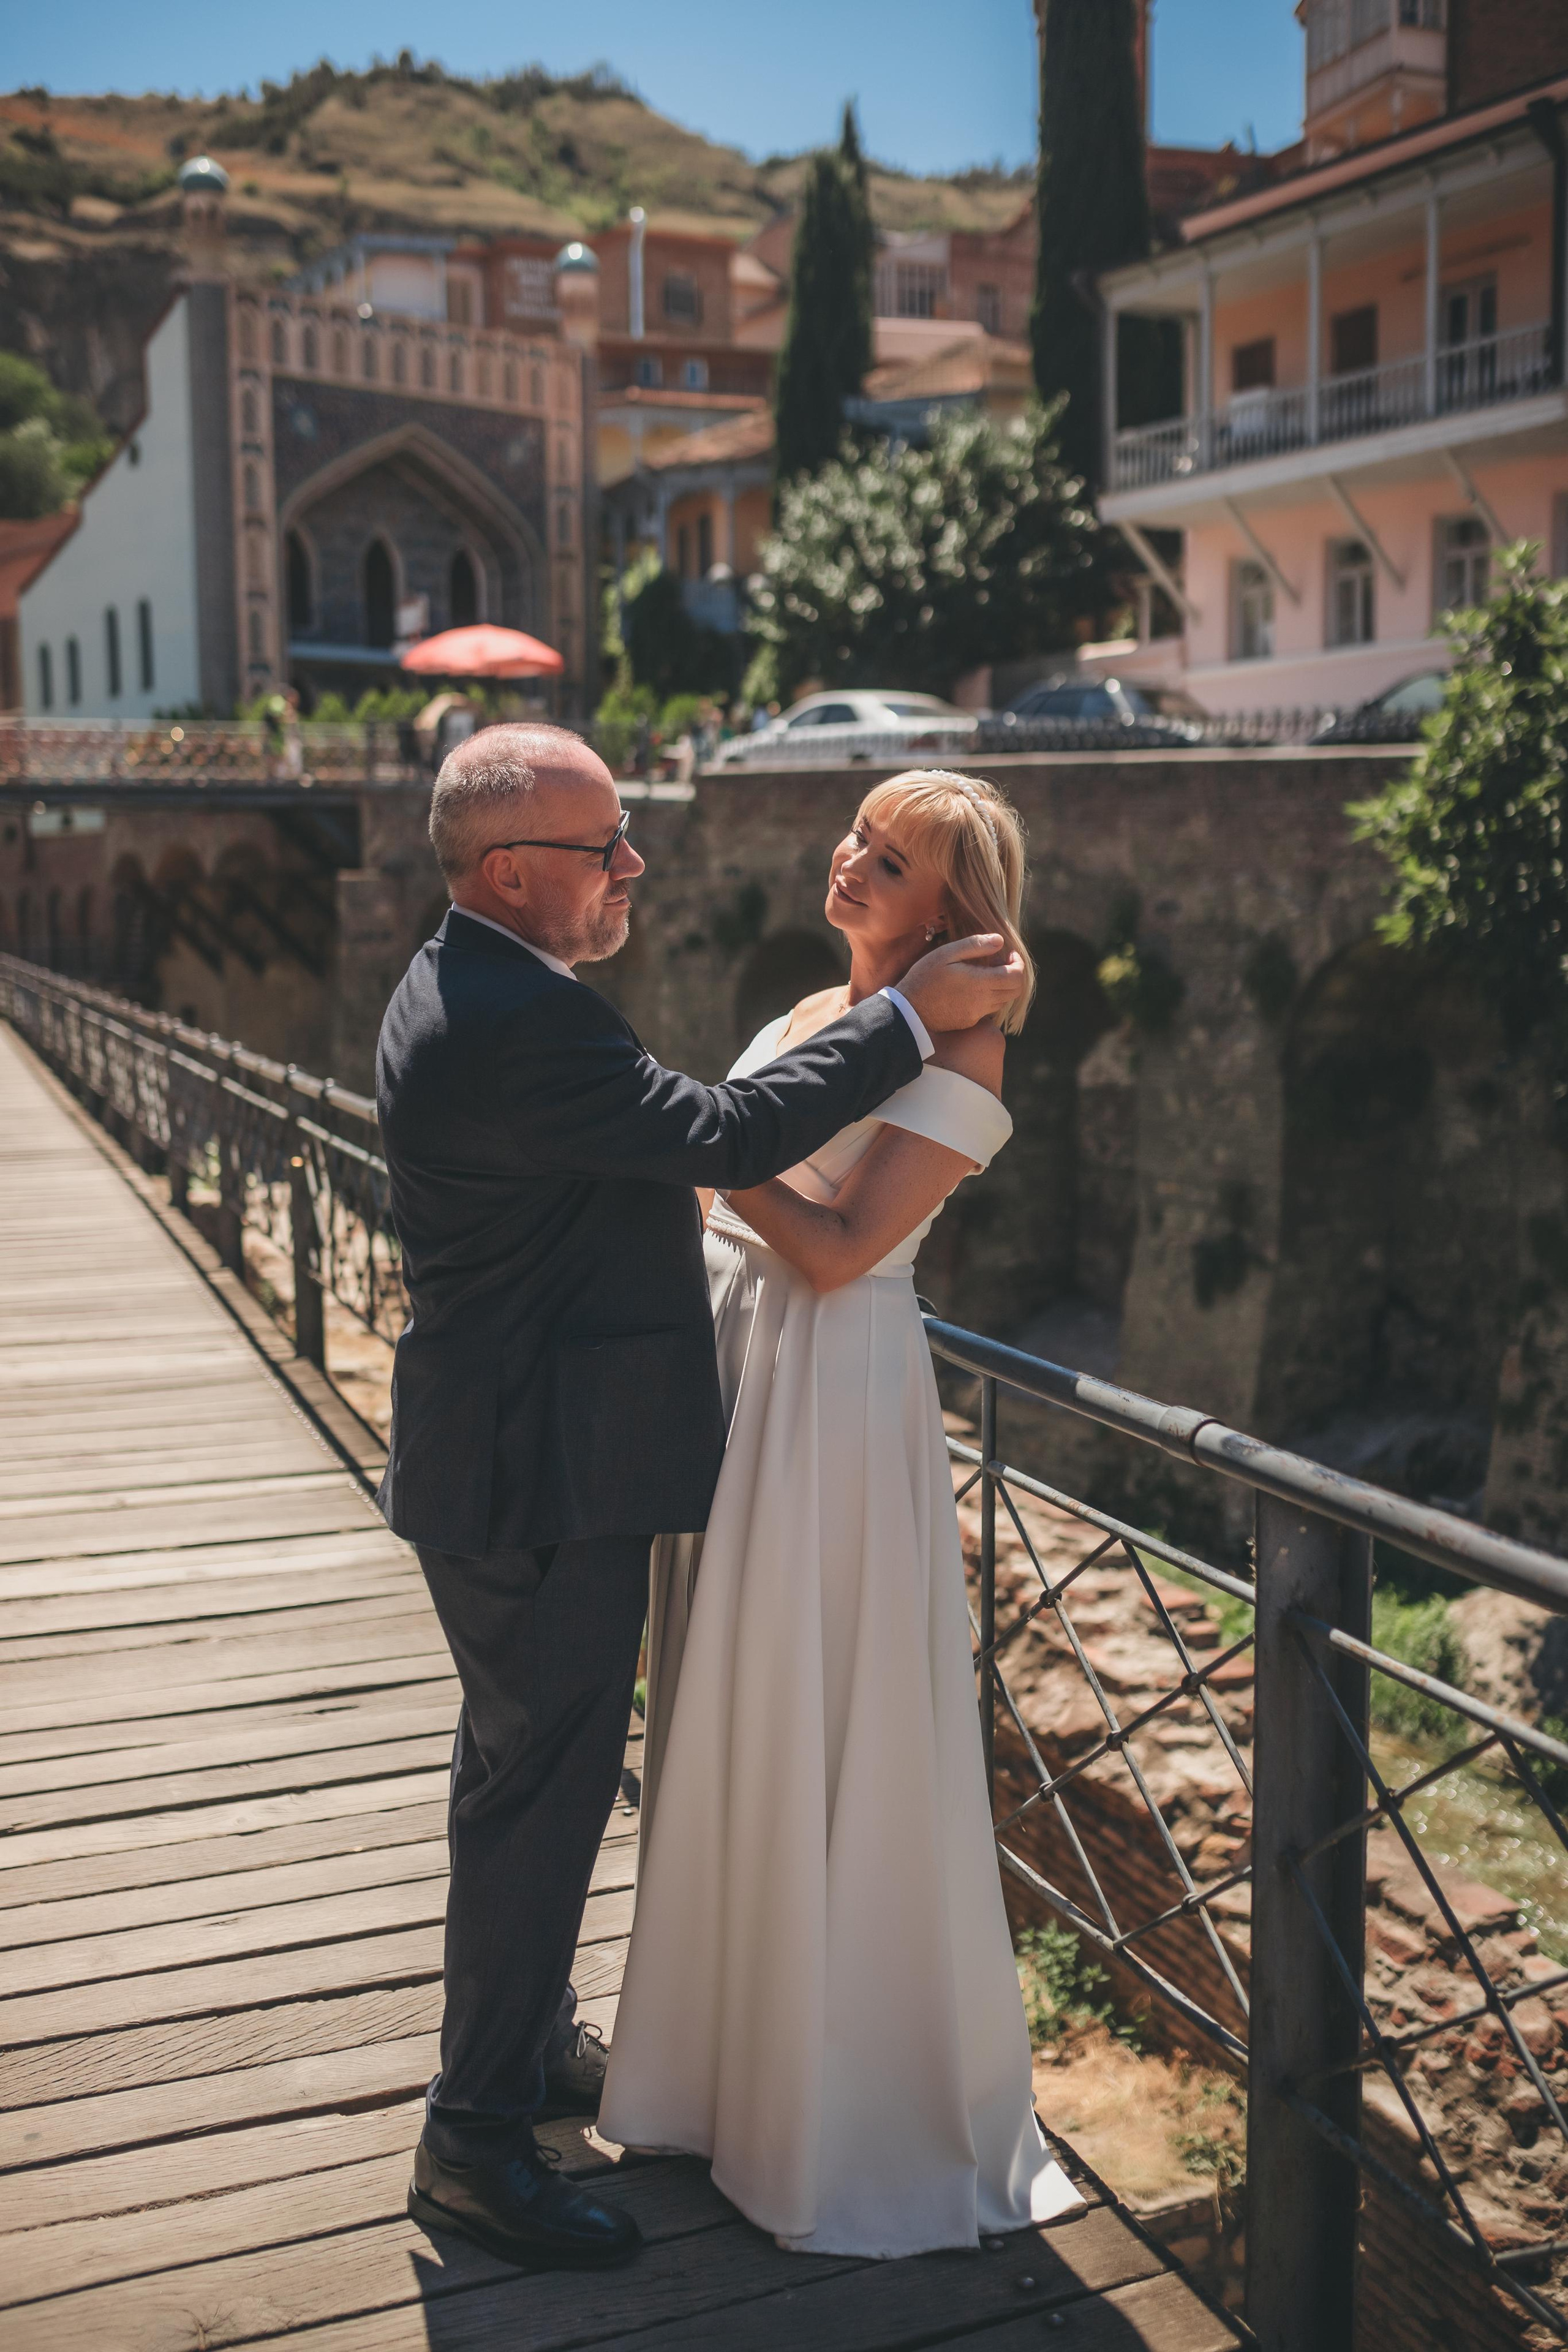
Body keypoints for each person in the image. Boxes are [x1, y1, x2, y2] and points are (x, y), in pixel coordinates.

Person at [374, 725, 1025, 2274]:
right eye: (606, 847)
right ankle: (472, 2146)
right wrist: (902, 1021)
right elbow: (726, 1141)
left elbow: (764, 1183)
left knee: (528, 1776)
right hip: (542, 1464)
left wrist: (758, 1116)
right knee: (537, 1798)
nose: (633, 865)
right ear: (514, 873)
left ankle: (524, 2057)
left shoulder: (474, 983)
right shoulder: (522, 1018)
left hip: (568, 1444)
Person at [600, 770, 1085, 2256]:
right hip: (743, 1377)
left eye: (894, 858)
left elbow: (832, 1251)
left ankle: (834, 2107)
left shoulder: (970, 1060)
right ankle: (710, 2075)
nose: (853, 861)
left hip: (833, 1395)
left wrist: (699, 1142)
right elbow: (737, 1194)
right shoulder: (818, 1012)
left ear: (952, 913)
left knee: (813, 1712)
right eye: (857, 838)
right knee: (721, 1711)